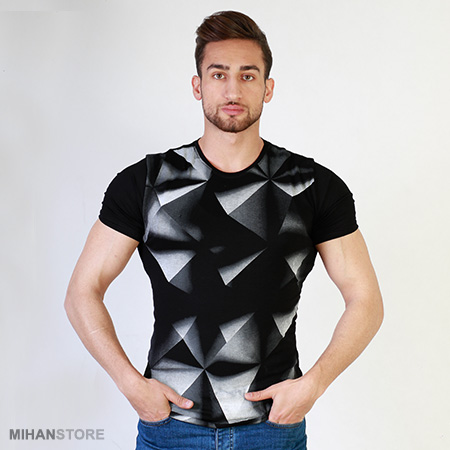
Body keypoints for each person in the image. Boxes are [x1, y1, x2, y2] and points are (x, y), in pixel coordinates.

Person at [64, 10, 383, 450]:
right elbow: (82, 291)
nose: (233, 90)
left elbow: (366, 300)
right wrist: (129, 383)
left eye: (248, 76)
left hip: (272, 429)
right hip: (170, 429)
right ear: (198, 86)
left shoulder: (311, 186)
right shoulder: (148, 182)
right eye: (219, 74)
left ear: (268, 88)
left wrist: (313, 384)